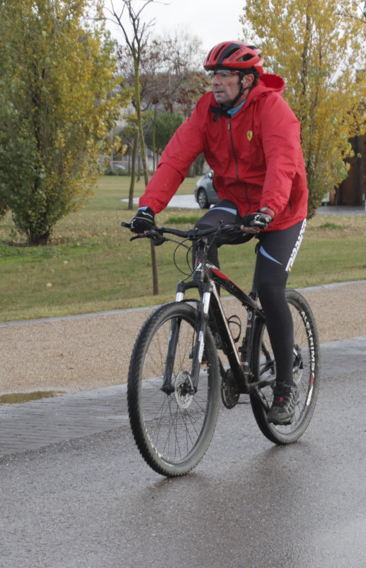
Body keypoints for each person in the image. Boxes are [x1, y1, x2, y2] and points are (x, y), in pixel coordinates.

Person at [128, 41, 308, 425]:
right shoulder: (207, 112)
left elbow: (282, 162)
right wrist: (148, 207)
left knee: (271, 288)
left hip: (282, 210)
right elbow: (176, 158)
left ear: (247, 80)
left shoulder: (273, 110)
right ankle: (214, 336)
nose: (216, 83)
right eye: (213, 75)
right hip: (235, 202)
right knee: (199, 242)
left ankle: (285, 386)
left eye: (225, 75)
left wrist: (269, 208)